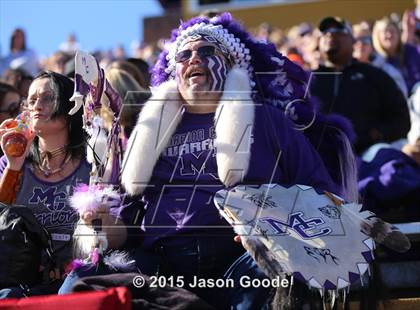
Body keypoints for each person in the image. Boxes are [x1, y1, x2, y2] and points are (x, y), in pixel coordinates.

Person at [60, 13, 352, 309]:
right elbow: (125, 225)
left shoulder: (267, 120)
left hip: (243, 261)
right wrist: (102, 224)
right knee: (80, 282)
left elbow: (319, 192)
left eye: (206, 51)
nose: (194, 59)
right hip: (163, 268)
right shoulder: (149, 134)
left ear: (231, 65)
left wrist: (275, 228)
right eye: (184, 55)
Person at [0, 71, 90, 297]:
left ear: (71, 108)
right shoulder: (10, 162)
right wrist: (14, 165)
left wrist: (74, 264)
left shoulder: (92, 162)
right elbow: (1, 219)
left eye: (48, 98)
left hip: (79, 275)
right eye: (31, 100)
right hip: (22, 277)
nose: (37, 105)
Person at [311, 16, 411, 154]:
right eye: (325, 32)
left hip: (368, 155)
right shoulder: (308, 80)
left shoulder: (374, 75)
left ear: (353, 41)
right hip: (320, 158)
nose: (330, 34)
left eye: (338, 30)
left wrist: (376, 134)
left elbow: (402, 119)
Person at [352, 21, 408, 97]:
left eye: (365, 40)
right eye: (355, 40)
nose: (360, 44)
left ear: (372, 45)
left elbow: (401, 98)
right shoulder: (341, 71)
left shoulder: (388, 71)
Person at [372, 16, 420, 95]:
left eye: (392, 31)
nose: (389, 35)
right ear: (377, 36)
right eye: (385, 31)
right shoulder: (377, 62)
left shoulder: (410, 51)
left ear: (398, 33)